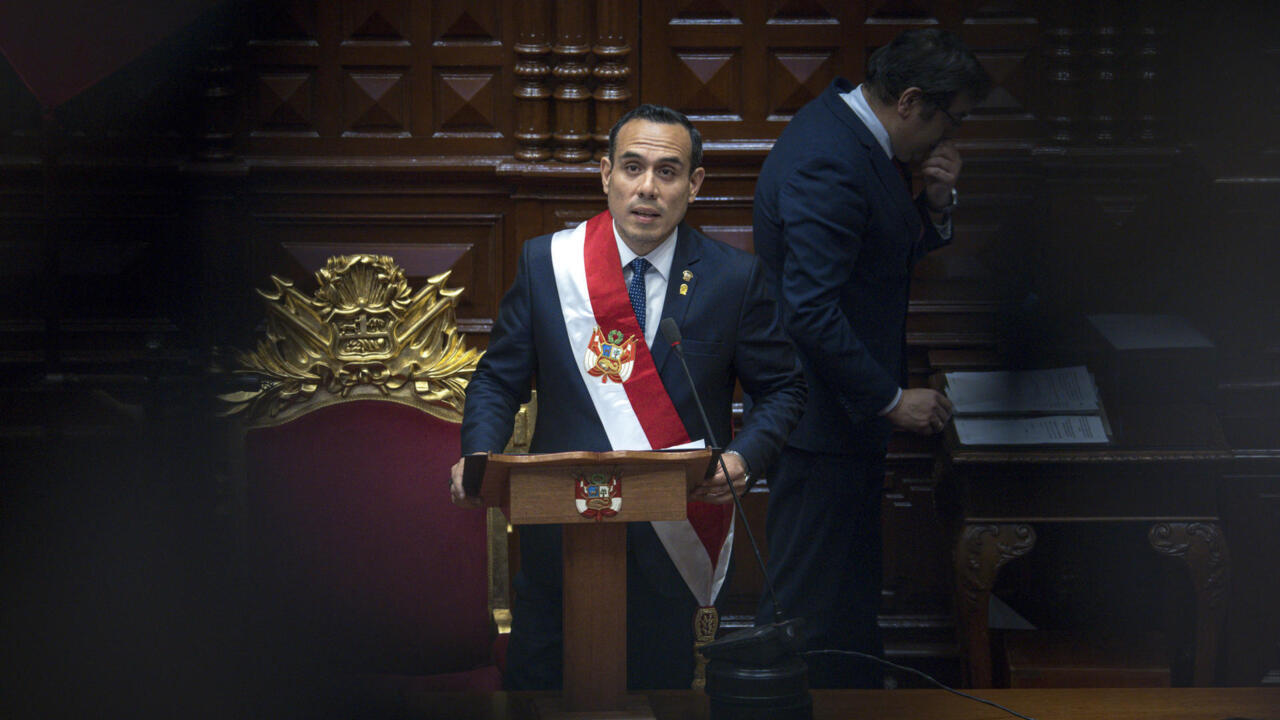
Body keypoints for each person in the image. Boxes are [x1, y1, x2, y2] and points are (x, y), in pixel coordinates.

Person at [449, 104, 806, 691]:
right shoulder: (549, 265)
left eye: (667, 172)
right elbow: (497, 379)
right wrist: (479, 456)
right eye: (632, 167)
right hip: (558, 539)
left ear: (693, 185)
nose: (647, 187)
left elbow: (784, 389)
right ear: (605, 174)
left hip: (669, 539)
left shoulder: (733, 279)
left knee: (656, 698)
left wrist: (746, 456)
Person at [751, 29, 992, 688]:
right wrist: (891, 399)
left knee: (846, 612)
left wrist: (934, 208)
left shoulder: (853, 137)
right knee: (802, 614)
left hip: (843, 423)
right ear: (912, 101)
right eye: (951, 120)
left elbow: (870, 257)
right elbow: (812, 311)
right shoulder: (831, 156)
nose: (951, 139)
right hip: (820, 424)